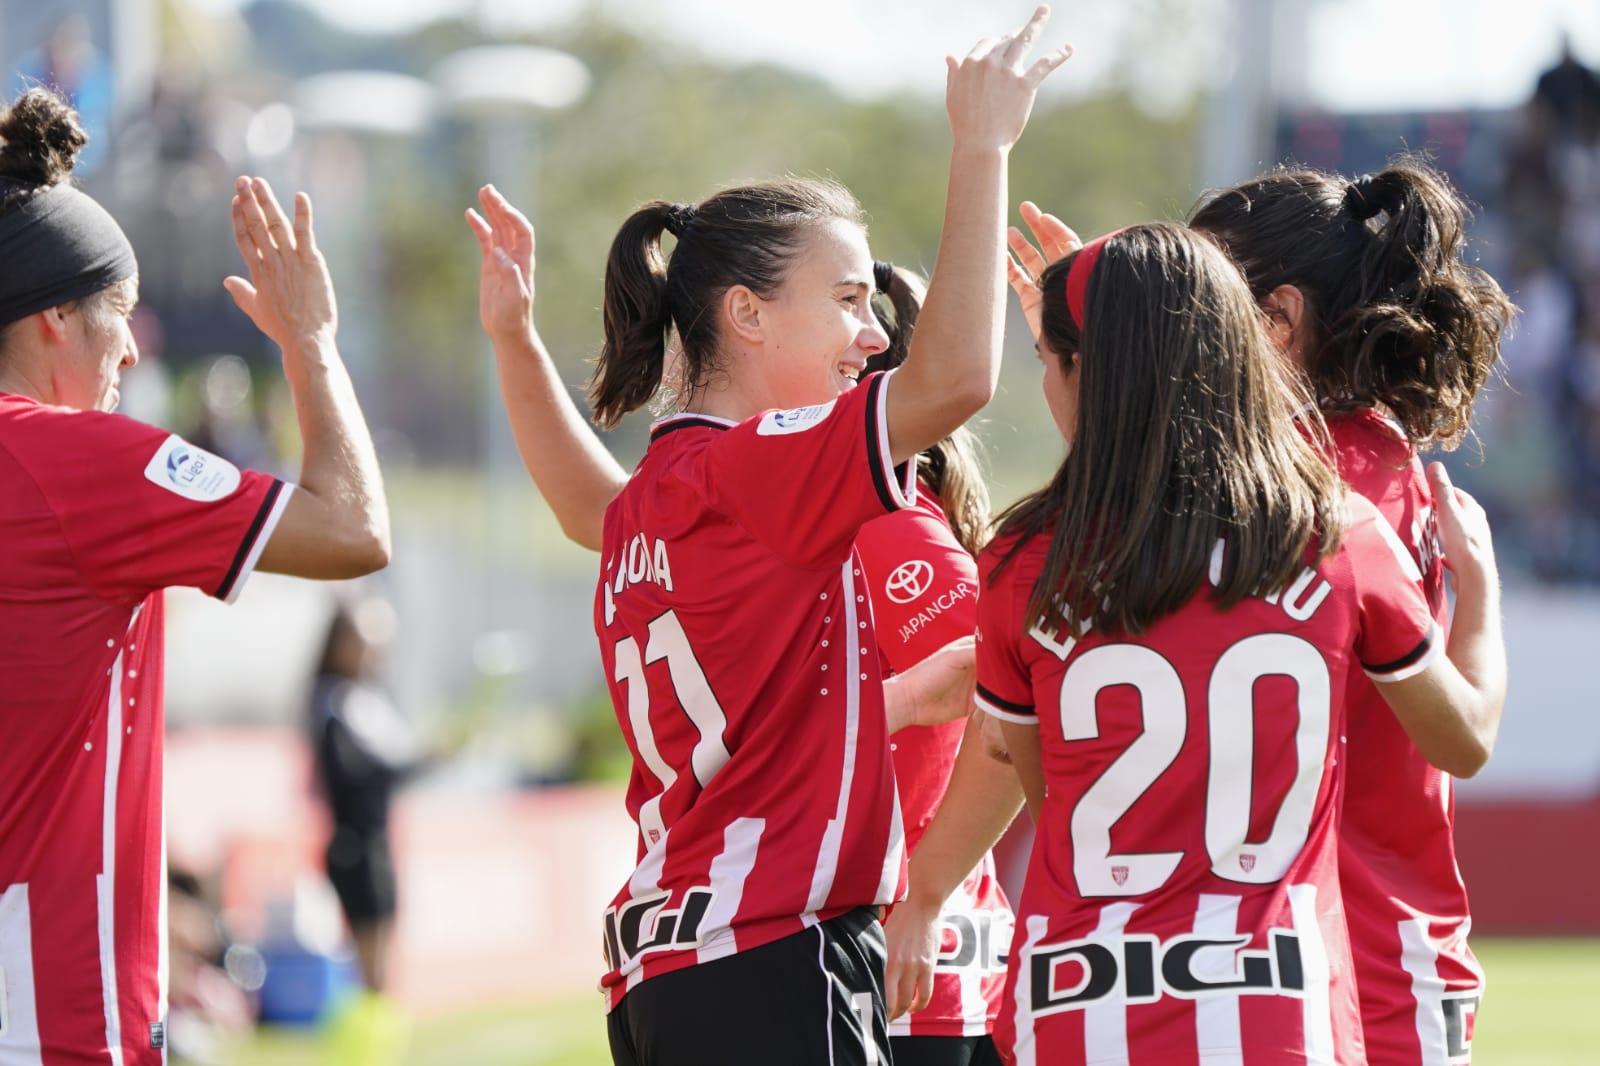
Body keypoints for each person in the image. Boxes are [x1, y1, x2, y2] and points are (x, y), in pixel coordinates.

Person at [472, 11, 1069, 1063]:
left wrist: (514, 341)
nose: (874, 331)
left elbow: (583, 506)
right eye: (845, 300)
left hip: (668, 961)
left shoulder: (656, 496)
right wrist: (982, 147)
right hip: (774, 952)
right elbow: (956, 381)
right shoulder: (761, 470)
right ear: (745, 315)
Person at [969, 223, 1501, 1063]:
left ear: (1085, 374)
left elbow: (1057, 808)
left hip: (1076, 1002)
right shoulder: (1340, 533)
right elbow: (1463, 736)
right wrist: (1482, 595)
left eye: (1049, 359)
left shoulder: (1014, 564)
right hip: (1276, 1006)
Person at [0, 88, 389, 1065]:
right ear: (54, 316)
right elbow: (351, 530)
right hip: (53, 1017)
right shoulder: (80, 463)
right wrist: (310, 344)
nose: (132, 347)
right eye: (118, 313)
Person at [1189, 159, 1515, 1065]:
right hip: (1364, 949)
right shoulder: (1375, 453)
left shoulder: (1295, 481)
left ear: (1279, 320)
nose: (1177, 331)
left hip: (1352, 960)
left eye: (1196, 301)